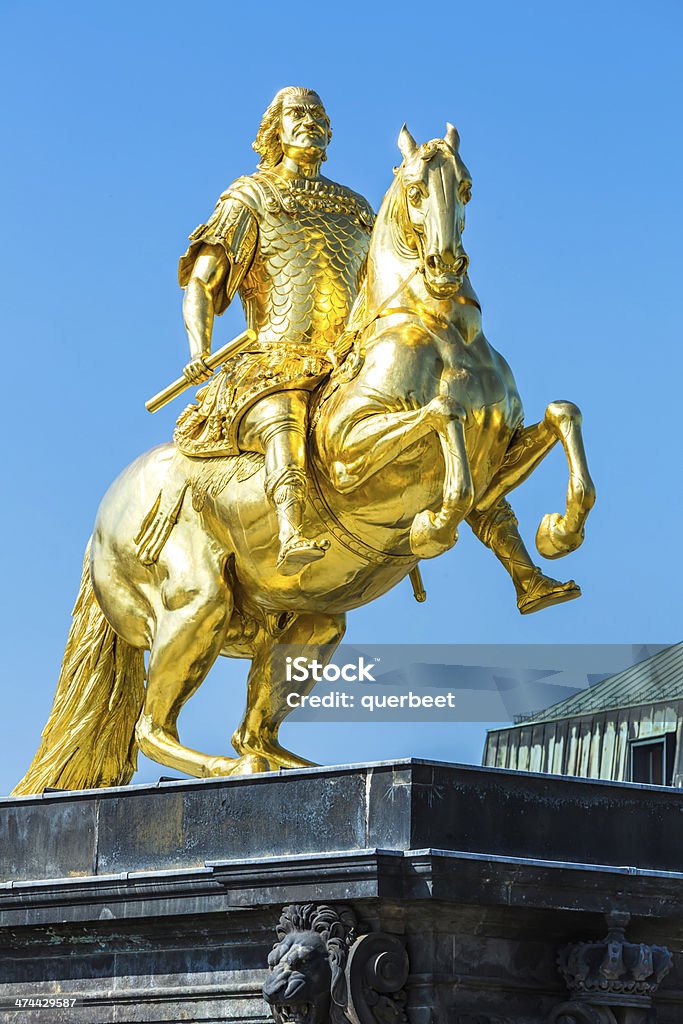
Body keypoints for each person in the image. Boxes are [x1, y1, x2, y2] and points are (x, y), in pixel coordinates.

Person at [175, 86, 374, 575]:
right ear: (275, 130)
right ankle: (292, 528)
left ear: (328, 132)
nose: (308, 121)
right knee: (285, 410)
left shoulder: (356, 208)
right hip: (274, 360)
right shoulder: (251, 196)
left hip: (348, 363)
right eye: (296, 114)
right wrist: (199, 348)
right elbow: (203, 281)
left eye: (317, 114)